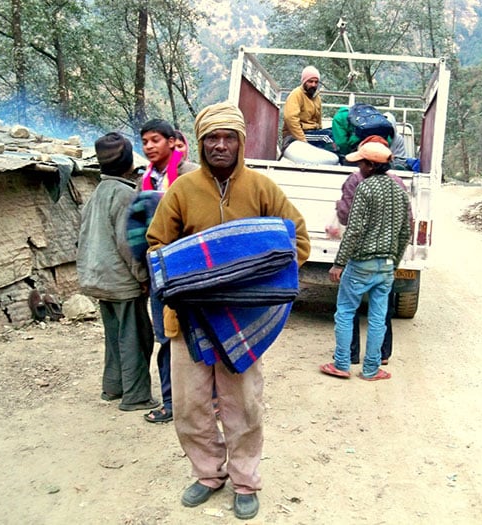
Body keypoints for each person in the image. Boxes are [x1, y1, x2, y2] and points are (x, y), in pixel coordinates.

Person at [146, 101, 310, 520]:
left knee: (244, 405)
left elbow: (297, 242)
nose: (220, 145)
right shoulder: (182, 190)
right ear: (200, 144)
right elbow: (156, 247)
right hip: (188, 320)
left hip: (243, 322)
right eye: (211, 139)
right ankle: (208, 474)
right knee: (189, 405)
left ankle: (244, 481)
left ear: (240, 142)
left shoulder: (262, 188)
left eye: (228, 138)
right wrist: (187, 281)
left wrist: (259, 284)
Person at [77, 132, 158, 411]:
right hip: (122, 282)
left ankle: (112, 388)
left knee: (114, 338)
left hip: (99, 279)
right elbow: (129, 244)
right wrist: (143, 277)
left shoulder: (98, 192)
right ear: (127, 162)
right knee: (137, 338)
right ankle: (136, 396)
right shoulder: (124, 194)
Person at [320, 141, 411, 381]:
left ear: (371, 165)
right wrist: (395, 261)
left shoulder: (365, 188)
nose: (358, 165)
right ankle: (371, 369)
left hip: (361, 264)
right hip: (387, 266)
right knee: (378, 317)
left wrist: (339, 263)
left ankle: (341, 364)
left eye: (361, 162)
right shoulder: (400, 191)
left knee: (346, 312)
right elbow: (405, 232)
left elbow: (354, 230)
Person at [136, 120, 197, 424]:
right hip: (159, 273)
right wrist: (142, 274)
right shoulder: (144, 182)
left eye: (155, 140)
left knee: (197, 333)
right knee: (165, 337)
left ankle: (204, 399)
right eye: (145, 141)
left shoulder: (191, 176)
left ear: (173, 142)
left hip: (189, 270)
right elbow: (137, 234)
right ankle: (172, 401)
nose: (149, 146)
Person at [281, 66, 339, 164]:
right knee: (326, 137)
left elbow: (318, 121)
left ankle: (339, 159)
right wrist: (303, 141)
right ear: (304, 81)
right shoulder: (296, 94)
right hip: (294, 136)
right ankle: (343, 162)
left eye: (316, 82)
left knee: (334, 132)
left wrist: (320, 131)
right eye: (310, 81)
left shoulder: (317, 98)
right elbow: (290, 119)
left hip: (312, 133)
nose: (313, 85)